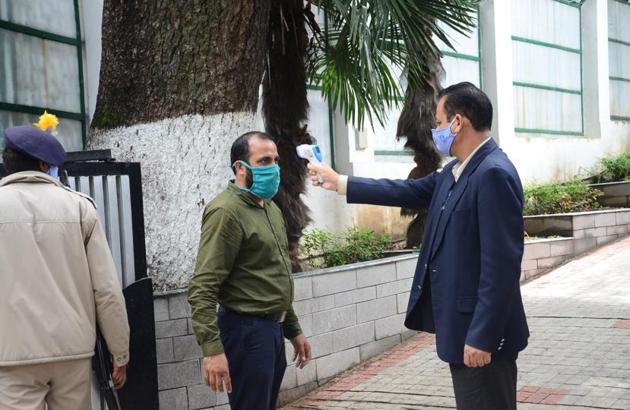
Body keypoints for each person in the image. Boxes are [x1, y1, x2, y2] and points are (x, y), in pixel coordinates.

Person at [309, 82, 529, 410]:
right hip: (462, 329)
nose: (436, 131)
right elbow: (404, 191)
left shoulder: (492, 173)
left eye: (439, 123)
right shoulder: (456, 171)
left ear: (459, 122)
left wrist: (483, 335)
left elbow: (501, 268)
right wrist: (340, 182)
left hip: (481, 337)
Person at [0, 113, 130, 409]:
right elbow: (106, 289)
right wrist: (119, 351)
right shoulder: (80, 209)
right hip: (72, 351)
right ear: (45, 165)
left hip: (10, 354)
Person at [188, 131, 312, 410]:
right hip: (246, 332)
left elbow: (273, 276)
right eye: (264, 160)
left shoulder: (269, 209)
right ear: (240, 168)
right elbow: (202, 287)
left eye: (276, 160)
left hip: (271, 331)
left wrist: (293, 330)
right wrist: (212, 351)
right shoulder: (226, 212)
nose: (274, 168)